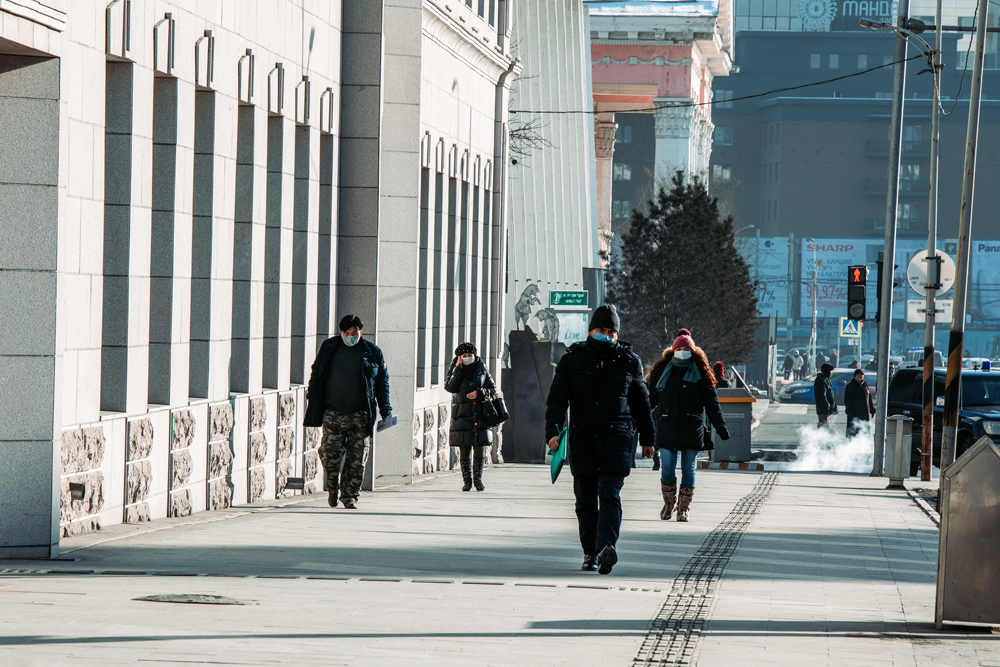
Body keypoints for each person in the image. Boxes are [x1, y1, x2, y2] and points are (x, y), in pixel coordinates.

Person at [545, 305, 654, 575]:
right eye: (601, 330)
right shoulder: (572, 360)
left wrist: (648, 439)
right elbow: (557, 399)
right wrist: (552, 432)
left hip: (617, 438)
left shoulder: (629, 361)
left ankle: (606, 547)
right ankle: (589, 551)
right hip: (583, 439)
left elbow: (641, 404)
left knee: (609, 494)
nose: (606, 335)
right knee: (584, 501)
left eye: (611, 332)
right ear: (591, 331)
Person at [303, 314, 392, 509]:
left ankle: (349, 496)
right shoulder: (329, 347)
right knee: (329, 453)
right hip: (333, 412)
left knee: (357, 459)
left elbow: (382, 383)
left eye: (356, 333)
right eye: (348, 333)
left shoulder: (372, 352)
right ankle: (332, 487)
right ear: (341, 332)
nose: (352, 336)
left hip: (361, 415)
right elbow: (317, 372)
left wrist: (386, 410)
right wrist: (312, 395)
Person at [647, 329, 729, 523]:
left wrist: (721, 426)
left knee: (688, 469)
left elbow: (712, 403)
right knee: (667, 467)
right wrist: (636, 420)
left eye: (686, 349)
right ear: (673, 350)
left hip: (691, 428)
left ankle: (683, 509)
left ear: (693, 351)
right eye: (679, 348)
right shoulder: (662, 371)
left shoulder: (701, 373)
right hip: (667, 428)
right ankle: (669, 505)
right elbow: (649, 401)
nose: (682, 351)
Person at [445, 342, 496, 492]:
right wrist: (457, 370)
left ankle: (478, 481)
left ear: (475, 355)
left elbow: (492, 389)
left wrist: (479, 393)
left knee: (479, 448)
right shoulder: (455, 369)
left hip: (479, 414)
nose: (467, 358)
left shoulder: (481, 368)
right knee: (464, 447)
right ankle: (467, 481)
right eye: (464, 356)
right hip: (461, 414)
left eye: (470, 356)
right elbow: (450, 387)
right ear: (459, 357)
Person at [844, 368, 875, 438]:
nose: (860, 376)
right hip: (854, 413)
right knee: (854, 431)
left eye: (862, 375)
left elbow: (869, 398)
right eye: (858, 375)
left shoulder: (865, 385)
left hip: (865, 412)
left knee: (864, 430)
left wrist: (872, 409)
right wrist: (849, 411)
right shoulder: (850, 386)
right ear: (855, 376)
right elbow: (847, 400)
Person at [814, 363, 837, 427]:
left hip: (827, 409)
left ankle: (822, 436)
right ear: (826, 371)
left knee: (825, 425)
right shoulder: (820, 380)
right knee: (823, 426)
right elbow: (822, 395)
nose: (831, 373)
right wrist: (827, 406)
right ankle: (820, 437)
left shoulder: (825, 379)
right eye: (830, 371)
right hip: (824, 409)